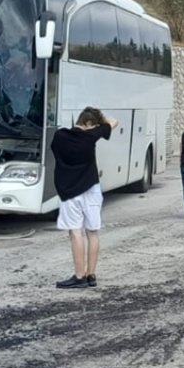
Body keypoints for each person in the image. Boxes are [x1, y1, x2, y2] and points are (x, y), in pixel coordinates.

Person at [51, 107, 116, 288]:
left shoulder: (59, 136)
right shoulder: (91, 137)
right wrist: (99, 128)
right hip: (92, 188)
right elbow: (113, 122)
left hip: (70, 191)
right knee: (92, 232)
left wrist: (92, 127)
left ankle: (79, 276)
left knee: (75, 232)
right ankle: (91, 275)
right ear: (90, 124)